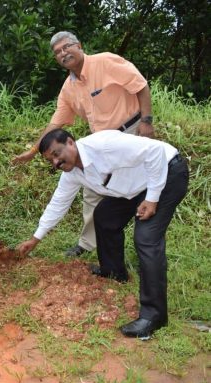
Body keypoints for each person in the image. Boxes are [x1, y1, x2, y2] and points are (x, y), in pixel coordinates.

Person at [17, 129, 188, 339]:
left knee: (146, 238)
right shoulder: (72, 173)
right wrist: (36, 239)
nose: (55, 162)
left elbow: (154, 152)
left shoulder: (104, 145)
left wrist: (152, 197)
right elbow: (58, 203)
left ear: (71, 142)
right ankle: (114, 272)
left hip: (167, 173)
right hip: (134, 188)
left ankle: (155, 316)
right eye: (50, 160)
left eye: (56, 153)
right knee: (105, 216)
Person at [13, 31, 155, 258]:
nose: (63, 53)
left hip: (129, 132)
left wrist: (146, 121)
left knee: (142, 186)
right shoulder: (68, 89)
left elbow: (140, 85)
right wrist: (33, 150)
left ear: (79, 45)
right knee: (91, 193)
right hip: (98, 145)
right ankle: (88, 244)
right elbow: (55, 123)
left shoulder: (105, 61)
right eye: (57, 52)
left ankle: (147, 240)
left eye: (66, 47)